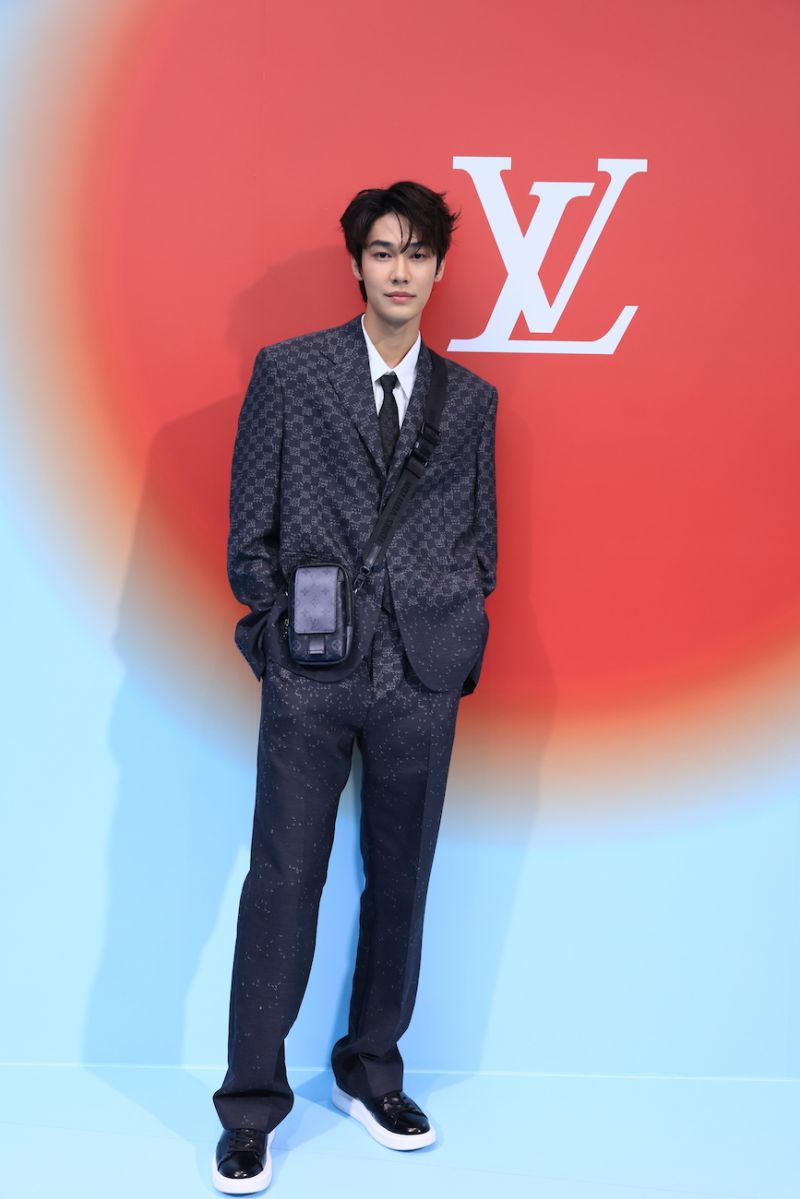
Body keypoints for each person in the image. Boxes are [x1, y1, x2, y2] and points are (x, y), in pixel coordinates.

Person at [212, 180, 498, 1193]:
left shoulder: (471, 401)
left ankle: (373, 1071)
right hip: (313, 672)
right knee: (283, 882)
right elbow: (248, 537)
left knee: (402, 879)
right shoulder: (290, 373)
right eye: (382, 251)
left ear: (438, 267)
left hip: (421, 674)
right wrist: (283, 636)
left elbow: (481, 543)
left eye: (416, 253)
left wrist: (455, 627)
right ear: (357, 263)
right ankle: (251, 1107)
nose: (399, 270)